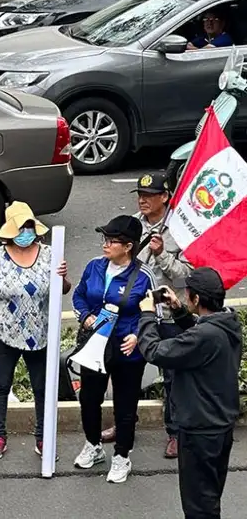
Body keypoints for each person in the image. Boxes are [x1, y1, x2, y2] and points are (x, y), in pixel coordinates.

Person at [137, 268, 241, 519]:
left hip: (199, 431)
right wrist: (180, 312)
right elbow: (198, 334)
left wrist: (148, 315)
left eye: (187, 295)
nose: (183, 296)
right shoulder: (228, 323)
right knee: (210, 496)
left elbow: (155, 351)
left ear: (196, 299)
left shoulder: (204, 336)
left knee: (199, 507)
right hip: (220, 427)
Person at [102, 172, 192, 457]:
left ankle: (174, 432)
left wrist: (164, 254)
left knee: (171, 375)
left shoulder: (182, 227)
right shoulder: (133, 225)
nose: (143, 200)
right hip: (136, 312)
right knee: (124, 371)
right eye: (140, 195)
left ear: (165, 197)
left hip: (167, 314)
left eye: (150, 195)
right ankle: (124, 423)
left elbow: (185, 277)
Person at [0, 202, 70, 460]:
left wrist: (63, 277)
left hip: (40, 333)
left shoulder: (51, 253)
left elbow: (63, 289)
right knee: (1, 385)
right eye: (21, 227)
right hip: (3, 331)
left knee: (42, 387)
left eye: (29, 226)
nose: (25, 232)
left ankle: (43, 438)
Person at [72, 215, 157, 484]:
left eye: (112, 240)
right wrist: (85, 316)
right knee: (89, 398)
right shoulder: (94, 267)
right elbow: (79, 295)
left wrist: (137, 335)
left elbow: (156, 313)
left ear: (128, 246)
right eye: (104, 239)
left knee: (125, 404)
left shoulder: (143, 276)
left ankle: (122, 457)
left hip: (127, 349)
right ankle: (93, 445)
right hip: (94, 345)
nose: (105, 244)